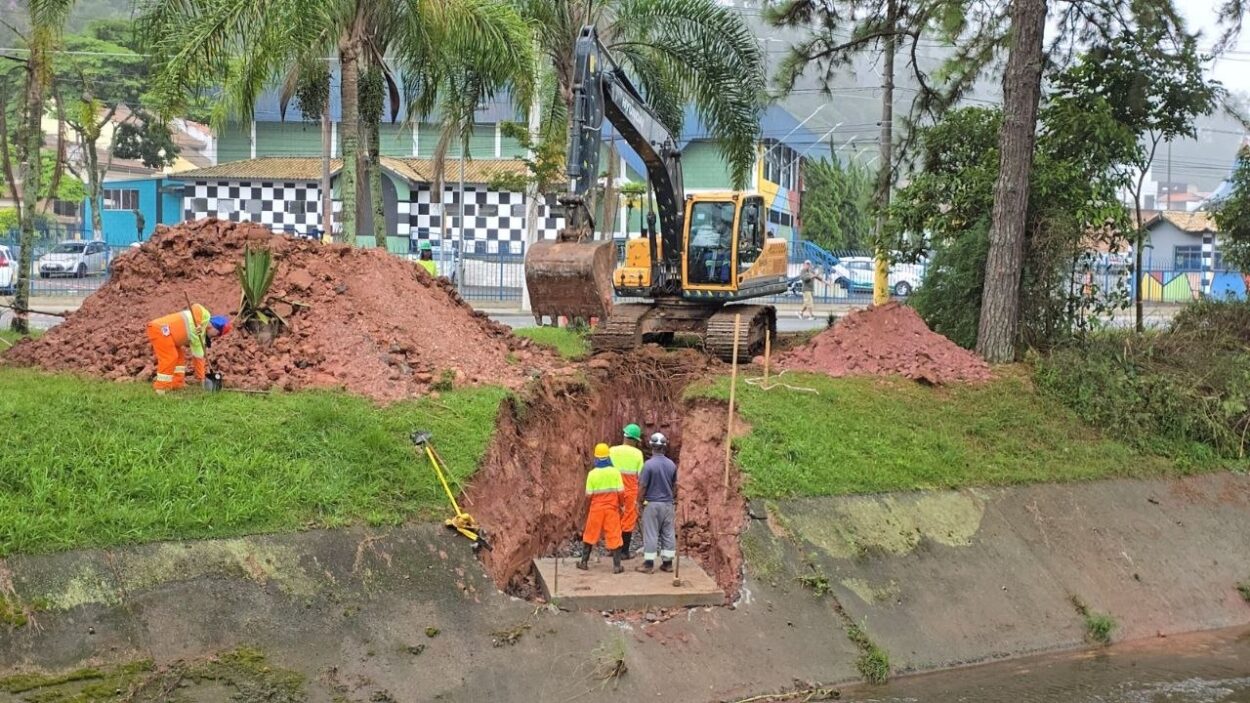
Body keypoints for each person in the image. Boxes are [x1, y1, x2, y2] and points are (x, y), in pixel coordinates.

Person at [146, 304, 231, 394]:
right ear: (216, 328)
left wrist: (201, 378)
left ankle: (177, 383)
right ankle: (161, 388)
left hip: (170, 337)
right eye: (217, 334)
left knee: (180, 358)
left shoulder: (200, 338)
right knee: (170, 357)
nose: (215, 337)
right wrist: (198, 324)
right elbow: (196, 307)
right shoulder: (205, 315)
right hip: (160, 329)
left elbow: (198, 358)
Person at [578, 442, 625, 574]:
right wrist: (621, 505)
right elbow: (621, 492)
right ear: (608, 457)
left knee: (590, 534)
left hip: (596, 509)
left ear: (596, 457)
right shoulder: (615, 472)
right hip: (611, 509)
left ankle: (584, 562)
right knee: (615, 535)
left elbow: (588, 496)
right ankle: (617, 566)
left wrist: (587, 509)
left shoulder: (592, 474)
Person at [636, 432, 678, 574]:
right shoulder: (671, 465)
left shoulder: (648, 465)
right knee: (668, 532)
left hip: (652, 504)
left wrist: (638, 502)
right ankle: (668, 563)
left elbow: (642, 486)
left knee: (651, 533)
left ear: (652, 446)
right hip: (668, 504)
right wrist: (671, 498)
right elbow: (675, 485)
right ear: (664, 447)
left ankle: (648, 564)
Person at [610, 423, 646, 559]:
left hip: (613, 490)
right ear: (635, 440)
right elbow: (641, 476)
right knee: (628, 519)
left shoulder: (612, 451)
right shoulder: (637, 454)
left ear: (625, 436)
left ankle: (613, 549)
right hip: (630, 492)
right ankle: (624, 552)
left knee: (614, 518)